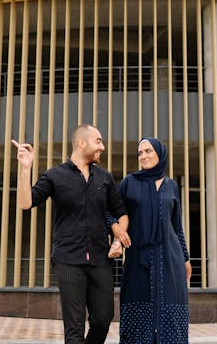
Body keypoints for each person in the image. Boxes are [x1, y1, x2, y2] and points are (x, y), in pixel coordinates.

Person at [14, 124, 131, 344]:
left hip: (100, 259)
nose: (102, 147)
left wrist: (118, 239)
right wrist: (26, 168)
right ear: (82, 142)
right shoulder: (54, 176)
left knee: (102, 320)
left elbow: (121, 213)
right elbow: (26, 202)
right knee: (74, 328)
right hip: (68, 260)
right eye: (98, 141)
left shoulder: (105, 178)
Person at [109, 137, 191, 344]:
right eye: (140, 153)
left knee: (171, 311)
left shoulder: (171, 186)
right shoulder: (129, 182)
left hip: (170, 258)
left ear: (159, 153)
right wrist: (117, 231)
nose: (144, 156)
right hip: (139, 257)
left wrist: (186, 258)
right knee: (136, 305)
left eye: (148, 151)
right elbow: (111, 213)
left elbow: (177, 227)